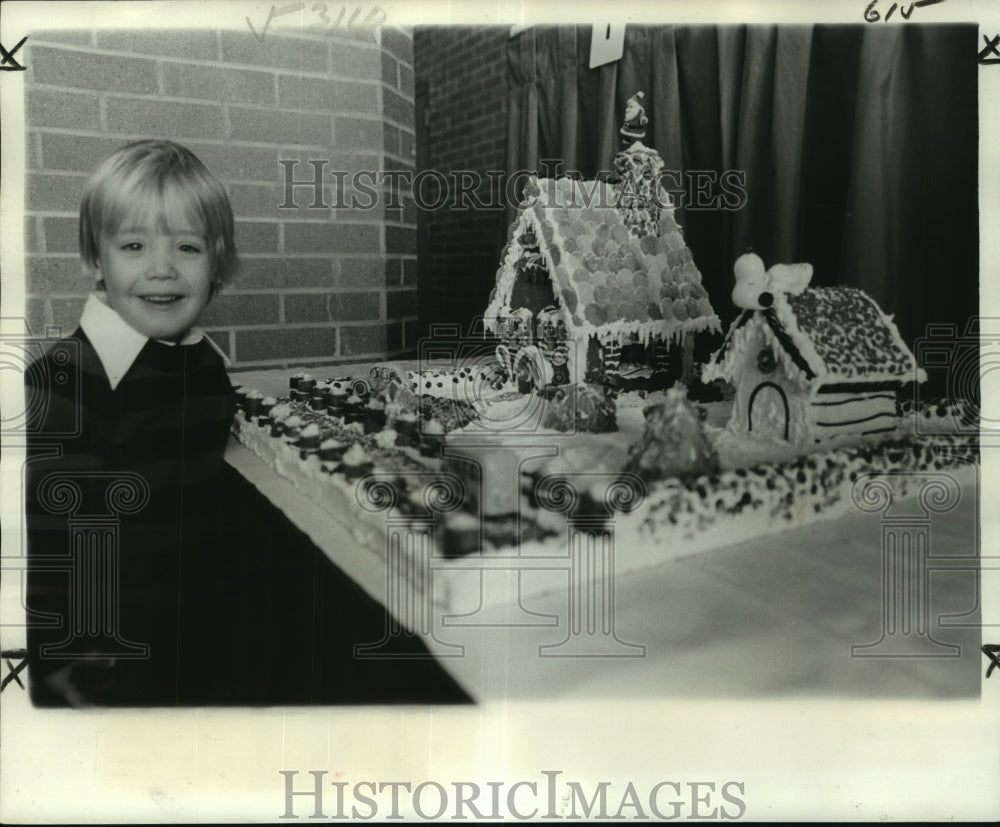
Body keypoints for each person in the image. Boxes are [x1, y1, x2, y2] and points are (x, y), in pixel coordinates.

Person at [25, 139, 471, 707]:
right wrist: (74, 662)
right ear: (96, 259)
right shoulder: (61, 385)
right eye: (133, 245)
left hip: (196, 637)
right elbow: (48, 550)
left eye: (187, 247)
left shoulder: (204, 365)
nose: (161, 268)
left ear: (217, 266)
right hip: (113, 663)